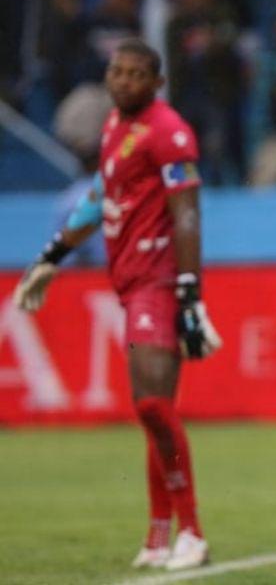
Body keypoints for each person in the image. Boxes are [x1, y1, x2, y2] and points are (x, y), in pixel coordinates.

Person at [12, 39, 221, 571]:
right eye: (117, 72)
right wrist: (52, 254)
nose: (123, 81)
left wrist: (189, 292)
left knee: (152, 404)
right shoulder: (113, 128)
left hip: (158, 278)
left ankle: (191, 531)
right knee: (153, 410)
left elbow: (188, 215)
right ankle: (157, 535)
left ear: (157, 83)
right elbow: (97, 199)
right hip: (128, 280)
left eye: (135, 75)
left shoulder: (169, 133)